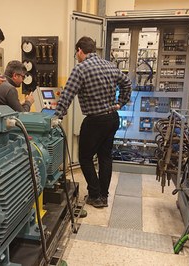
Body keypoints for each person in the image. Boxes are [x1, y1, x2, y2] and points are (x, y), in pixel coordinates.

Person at [55, 36, 132, 208]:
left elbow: (67, 94)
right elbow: (127, 82)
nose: (77, 56)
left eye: (77, 53)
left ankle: (95, 194)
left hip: (95, 121)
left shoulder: (80, 69)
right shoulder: (109, 65)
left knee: (85, 157)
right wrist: (121, 102)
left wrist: (57, 116)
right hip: (112, 118)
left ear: (80, 51)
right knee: (105, 157)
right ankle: (104, 196)